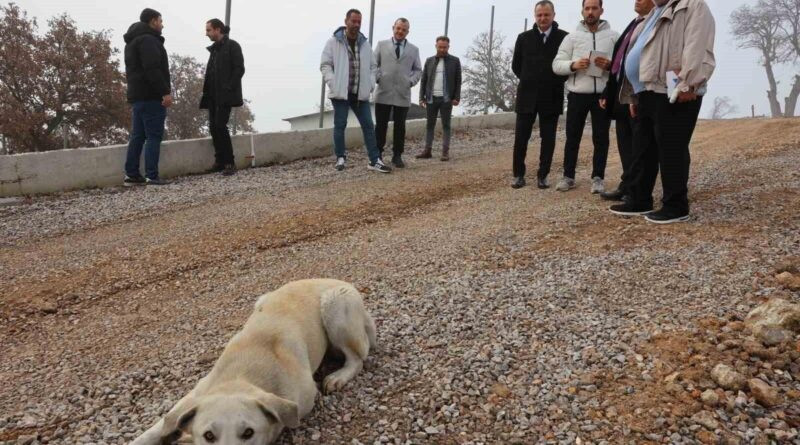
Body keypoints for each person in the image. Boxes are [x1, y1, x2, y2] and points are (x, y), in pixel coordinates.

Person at [610, 0, 716, 224]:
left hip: (673, 90)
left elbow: (698, 47)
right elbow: (640, 51)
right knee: (643, 149)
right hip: (647, 90)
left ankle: (675, 206)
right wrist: (634, 93)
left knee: (671, 149)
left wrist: (688, 83)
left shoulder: (693, 6)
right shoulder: (656, 12)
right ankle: (639, 200)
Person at [552, 0, 618, 193]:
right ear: (582, 11)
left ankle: (598, 178)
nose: (590, 12)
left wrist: (609, 65)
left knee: (601, 138)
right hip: (577, 95)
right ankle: (568, 176)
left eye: (594, 8)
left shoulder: (614, 36)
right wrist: (573, 65)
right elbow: (556, 64)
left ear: (601, 10)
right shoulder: (572, 37)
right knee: (573, 136)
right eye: (587, 8)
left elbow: (621, 64)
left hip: (602, 95)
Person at [320, 9, 391, 173]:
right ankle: (340, 157)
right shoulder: (333, 42)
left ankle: (375, 160)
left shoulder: (364, 44)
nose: (356, 25)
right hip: (341, 94)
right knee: (340, 125)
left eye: (359, 22)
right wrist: (333, 83)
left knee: (368, 125)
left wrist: (370, 84)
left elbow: (374, 67)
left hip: (360, 94)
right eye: (354, 21)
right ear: (346, 21)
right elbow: (325, 65)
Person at [598, 0, 654, 201]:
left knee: (640, 145)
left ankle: (637, 190)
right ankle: (627, 184)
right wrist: (607, 92)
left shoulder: (654, 23)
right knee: (625, 143)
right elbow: (620, 63)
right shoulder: (634, 23)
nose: (637, 0)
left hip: (639, 93)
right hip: (621, 94)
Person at [511, 0, 569, 190]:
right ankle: (518, 175)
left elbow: (567, 67)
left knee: (549, 138)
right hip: (527, 95)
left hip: (552, 96)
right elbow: (516, 66)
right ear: (535, 16)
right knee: (521, 138)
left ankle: (543, 175)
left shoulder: (564, 38)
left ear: (553, 15)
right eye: (539, 15)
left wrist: (551, 82)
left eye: (546, 15)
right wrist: (531, 80)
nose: (543, 18)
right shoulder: (523, 38)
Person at [123, 8, 172, 186]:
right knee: (153, 136)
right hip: (152, 96)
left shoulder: (132, 42)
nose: (162, 24)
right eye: (160, 20)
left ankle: (132, 175)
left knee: (137, 136)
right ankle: (152, 175)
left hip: (137, 97)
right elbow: (152, 69)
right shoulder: (149, 40)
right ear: (152, 21)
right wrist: (165, 92)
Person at [374, 18, 423, 169]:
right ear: (393, 28)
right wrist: (378, 77)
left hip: (402, 93)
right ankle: (378, 155)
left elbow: (418, 69)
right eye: (398, 28)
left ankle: (397, 155)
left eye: (404, 29)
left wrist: (410, 81)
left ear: (407, 31)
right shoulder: (382, 45)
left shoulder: (413, 50)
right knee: (381, 125)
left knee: (400, 126)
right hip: (383, 92)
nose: (400, 31)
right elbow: (373, 64)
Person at [200, 19, 245, 177]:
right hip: (212, 96)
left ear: (218, 29)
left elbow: (239, 69)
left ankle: (229, 163)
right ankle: (219, 161)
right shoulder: (214, 50)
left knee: (220, 126)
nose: (206, 34)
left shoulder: (232, 46)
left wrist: (228, 87)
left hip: (225, 95)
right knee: (213, 127)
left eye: (209, 30)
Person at [418, 36, 462, 162]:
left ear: (448, 47)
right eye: (440, 47)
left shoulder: (455, 61)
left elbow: (458, 81)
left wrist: (456, 97)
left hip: (446, 99)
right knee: (429, 125)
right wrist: (421, 98)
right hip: (431, 99)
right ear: (436, 46)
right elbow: (424, 80)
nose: (442, 49)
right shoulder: (429, 61)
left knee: (446, 125)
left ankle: (445, 152)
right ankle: (427, 150)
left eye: (445, 47)